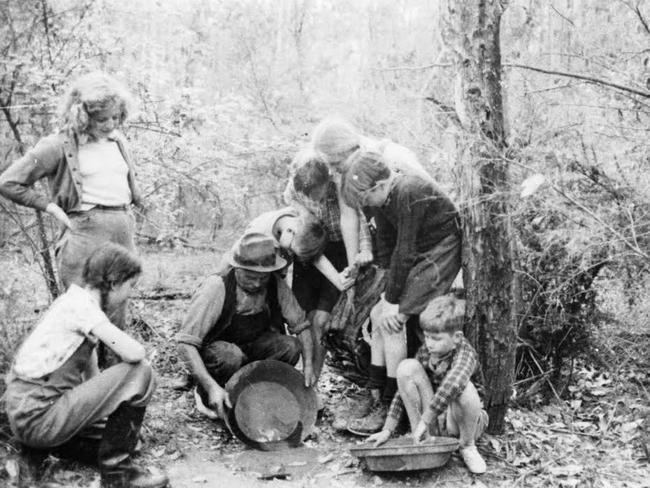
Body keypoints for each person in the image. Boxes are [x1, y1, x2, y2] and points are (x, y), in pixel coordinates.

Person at [4, 243, 168, 488]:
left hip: (30, 415)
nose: (129, 295)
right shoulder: (81, 308)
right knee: (141, 372)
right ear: (113, 283)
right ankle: (118, 475)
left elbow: (93, 381)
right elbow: (135, 354)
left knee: (130, 438)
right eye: (129, 286)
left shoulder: (75, 302)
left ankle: (52, 452)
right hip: (37, 418)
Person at [0, 71, 142, 330]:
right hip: (85, 232)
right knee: (82, 314)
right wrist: (50, 207)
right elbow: (9, 183)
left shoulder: (118, 141)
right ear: (83, 114)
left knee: (117, 315)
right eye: (102, 119)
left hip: (121, 230)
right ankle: (79, 370)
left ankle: (118, 370)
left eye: (115, 117)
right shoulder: (57, 144)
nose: (110, 124)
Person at [341, 151, 462, 434]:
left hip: (441, 248)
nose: (367, 206)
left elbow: (405, 250)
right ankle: (376, 391)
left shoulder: (407, 190)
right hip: (419, 251)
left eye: (367, 199)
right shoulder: (381, 201)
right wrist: (385, 296)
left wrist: (395, 303)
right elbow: (387, 247)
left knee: (392, 322)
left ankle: (392, 406)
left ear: (380, 185)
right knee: (377, 312)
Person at [176, 232, 315, 420]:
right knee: (230, 356)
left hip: (254, 347)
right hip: (219, 354)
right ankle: (211, 392)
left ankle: (258, 390)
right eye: (250, 277)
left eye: (263, 277)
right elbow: (185, 344)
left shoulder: (276, 284)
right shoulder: (217, 287)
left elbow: (302, 327)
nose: (257, 283)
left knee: (290, 346)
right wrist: (211, 387)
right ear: (237, 268)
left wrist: (308, 369)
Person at [367, 295, 488, 475]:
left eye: (436, 338)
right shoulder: (427, 350)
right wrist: (388, 429)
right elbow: (402, 392)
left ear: (456, 337)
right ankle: (422, 439)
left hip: (461, 421)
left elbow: (453, 384)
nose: (429, 344)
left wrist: (426, 419)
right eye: (427, 337)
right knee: (406, 367)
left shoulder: (465, 352)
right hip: (434, 420)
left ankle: (467, 446)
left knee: (464, 388)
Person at [283, 149, 364, 381]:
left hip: (340, 247)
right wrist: (335, 278)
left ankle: (313, 382)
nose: (315, 201)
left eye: (318, 195)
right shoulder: (295, 190)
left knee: (321, 319)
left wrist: (350, 268)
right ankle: (303, 374)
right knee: (304, 319)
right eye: (310, 197)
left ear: (327, 179)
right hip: (311, 249)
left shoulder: (340, 182)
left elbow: (353, 224)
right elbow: (310, 245)